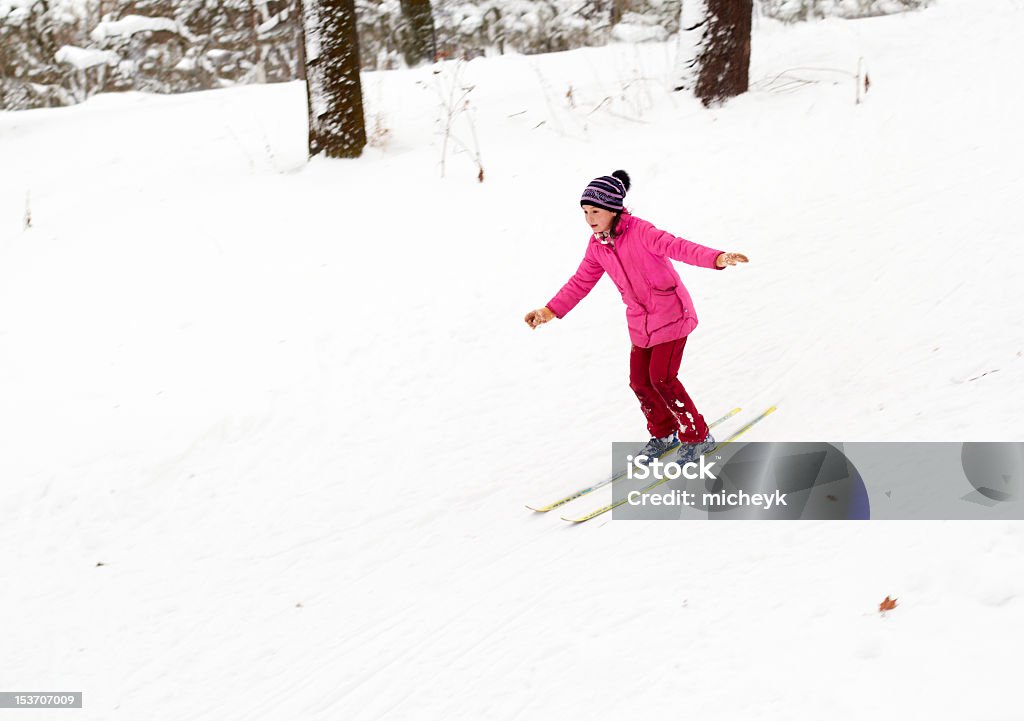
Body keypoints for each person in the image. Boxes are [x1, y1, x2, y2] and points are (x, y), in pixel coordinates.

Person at [524, 170, 748, 464]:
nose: (590, 218)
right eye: (585, 212)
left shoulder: (642, 232)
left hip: (671, 315)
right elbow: (581, 282)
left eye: (596, 211)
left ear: (613, 210)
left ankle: (697, 437)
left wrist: (717, 258)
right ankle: (664, 433)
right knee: (640, 381)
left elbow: (678, 247)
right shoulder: (597, 247)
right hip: (641, 324)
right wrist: (548, 311)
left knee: (662, 379)